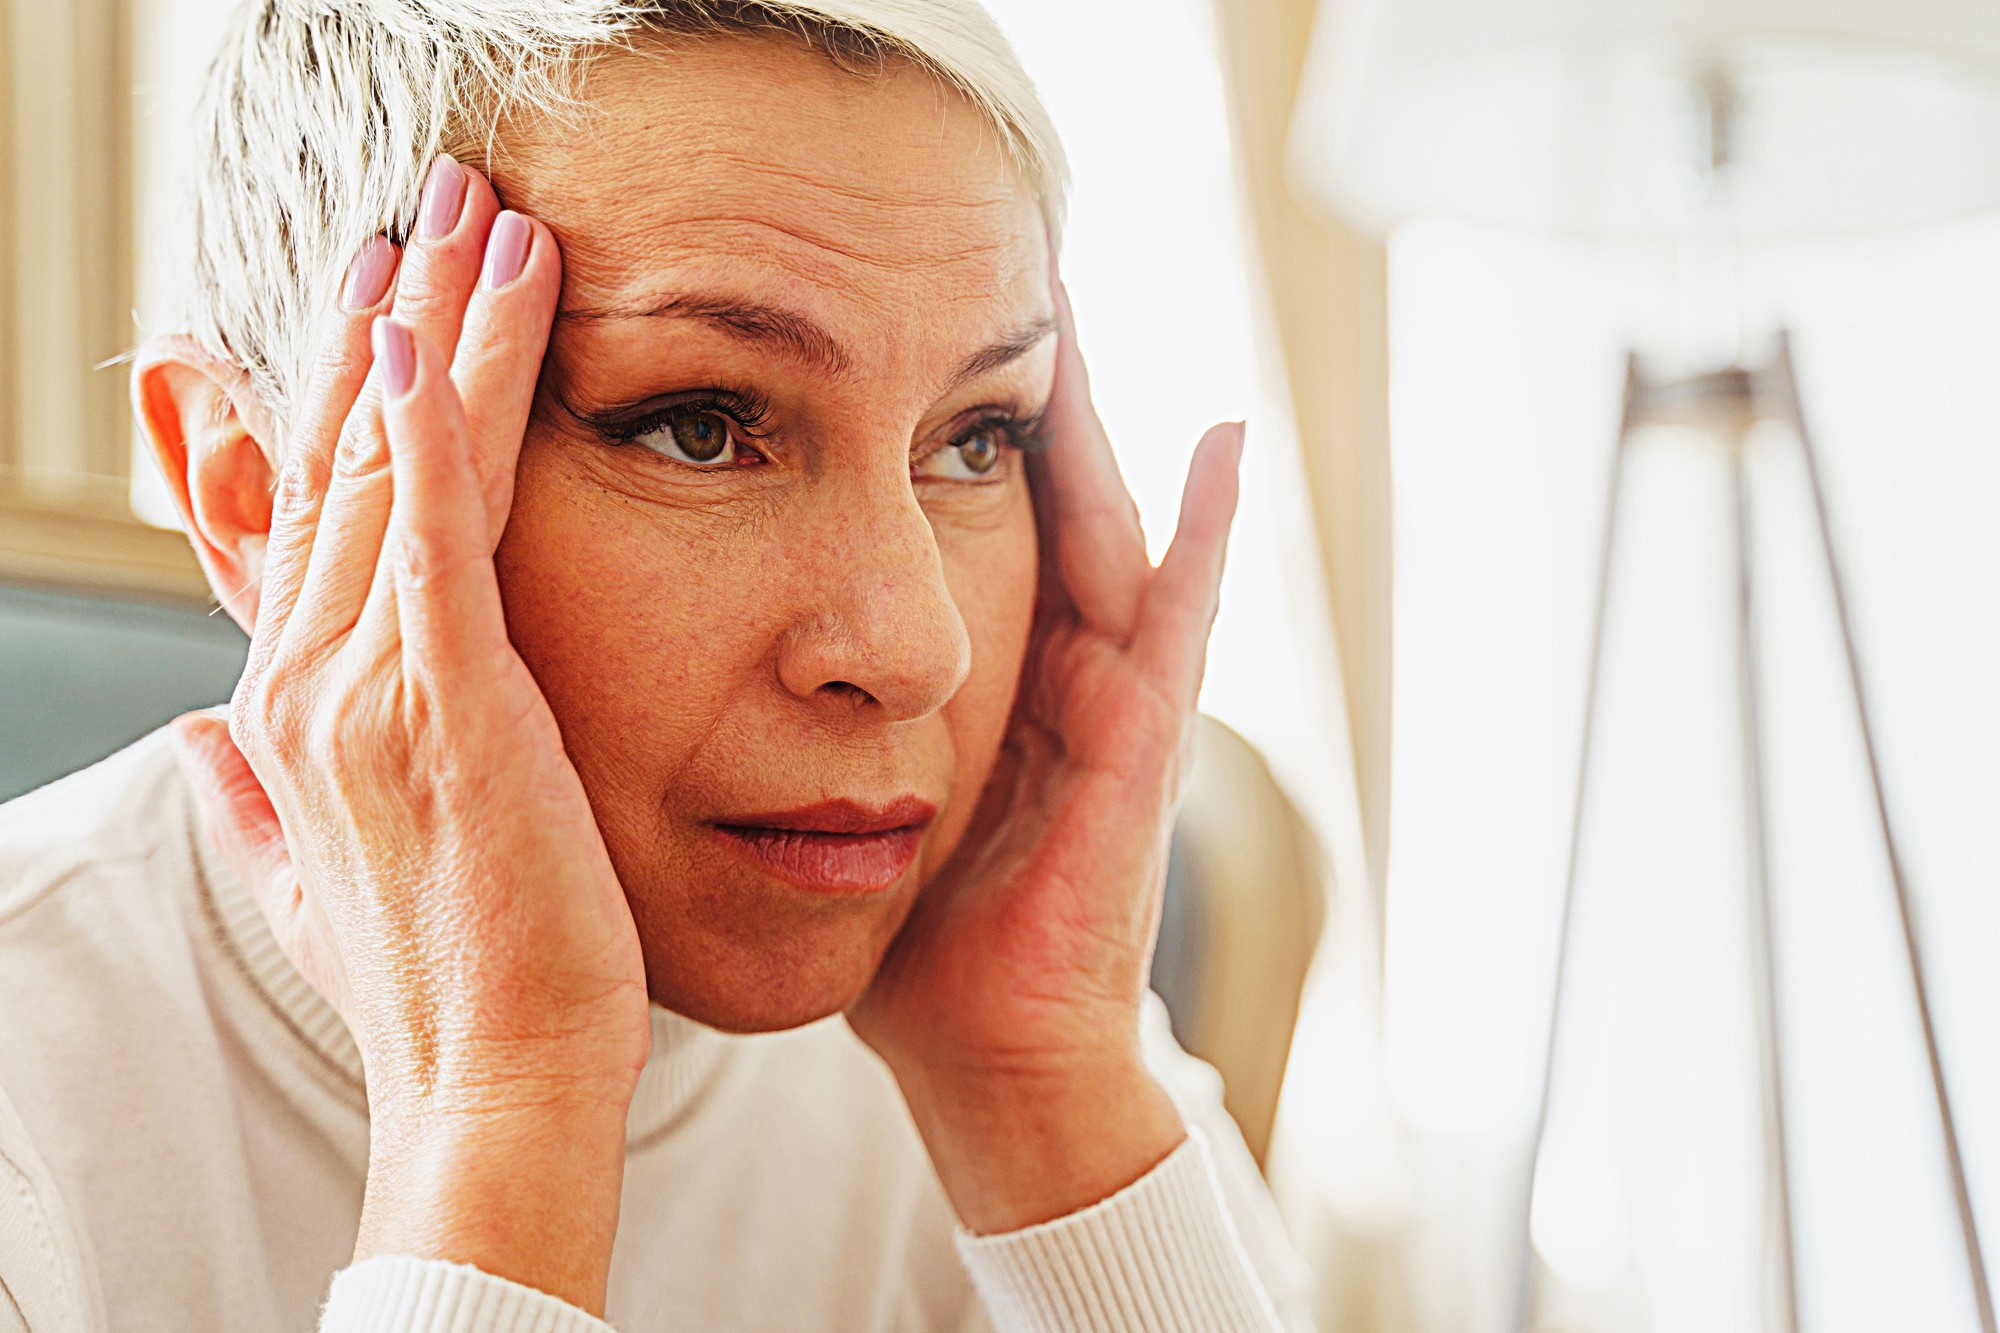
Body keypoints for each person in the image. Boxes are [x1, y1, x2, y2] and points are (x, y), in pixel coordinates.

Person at [0, 2, 1315, 1329]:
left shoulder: (1033, 1043)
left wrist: (1047, 1094)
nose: (917, 648)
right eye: (699, 427)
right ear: (249, 491)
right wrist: (502, 1108)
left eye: (977, 437)